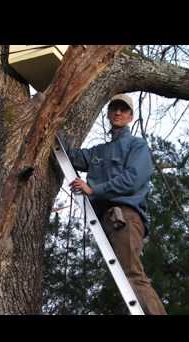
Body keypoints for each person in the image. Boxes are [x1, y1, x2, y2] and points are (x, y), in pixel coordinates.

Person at [60, 94, 167, 315]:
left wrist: (95, 189)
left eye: (123, 110)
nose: (118, 113)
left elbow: (133, 179)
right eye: (114, 109)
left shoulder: (137, 146)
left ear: (130, 116)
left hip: (125, 217)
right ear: (109, 114)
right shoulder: (99, 151)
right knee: (122, 283)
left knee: (132, 276)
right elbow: (71, 156)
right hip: (107, 221)